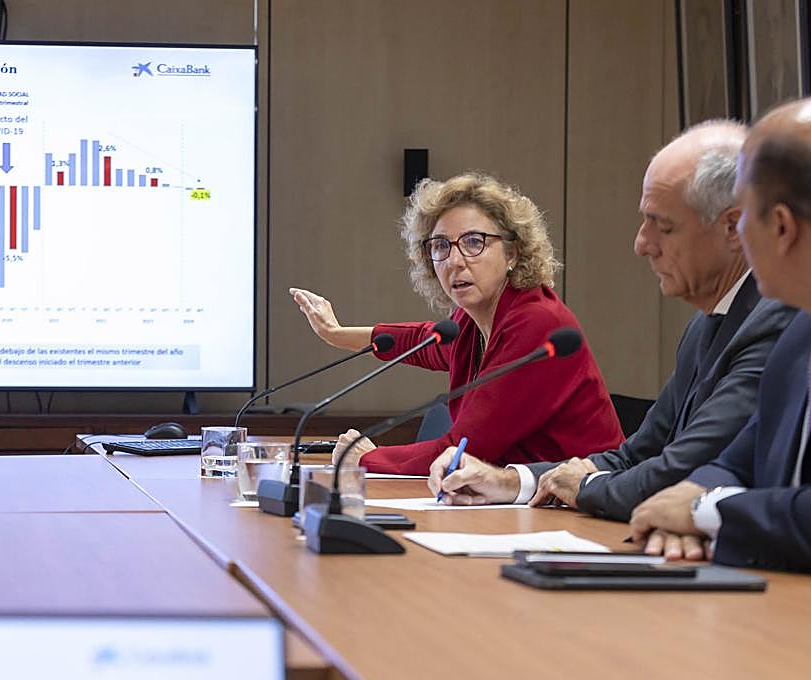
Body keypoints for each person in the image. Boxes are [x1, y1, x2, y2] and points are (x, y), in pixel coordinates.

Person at [428, 122, 796, 520]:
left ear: (732, 228)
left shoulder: (773, 321)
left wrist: (585, 487)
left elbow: (683, 470)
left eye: (664, 225)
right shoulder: (705, 324)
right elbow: (638, 453)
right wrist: (512, 481)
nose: (641, 243)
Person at [290, 172, 622, 475]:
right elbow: (424, 342)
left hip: (579, 508)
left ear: (512, 253)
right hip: (521, 502)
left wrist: (365, 457)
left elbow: (464, 449)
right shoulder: (473, 319)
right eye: (440, 246)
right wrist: (336, 334)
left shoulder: (537, 321)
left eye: (474, 242)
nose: (454, 261)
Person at [628, 100, 811, 569]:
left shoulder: (779, 323)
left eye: (744, 216)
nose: (740, 236)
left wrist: (702, 511)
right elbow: (734, 461)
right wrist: (690, 501)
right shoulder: (799, 333)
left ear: (783, 228)